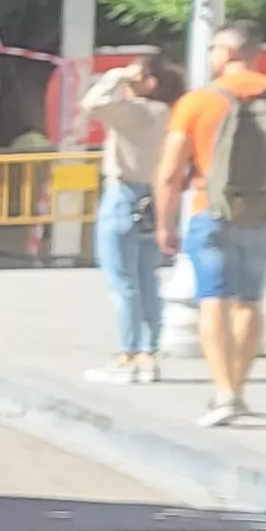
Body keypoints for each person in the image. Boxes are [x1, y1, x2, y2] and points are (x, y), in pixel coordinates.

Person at [156, 22, 266, 427]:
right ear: (256, 54)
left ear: (223, 53)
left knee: (213, 300)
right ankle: (237, 390)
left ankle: (221, 393)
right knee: (250, 301)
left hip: (212, 211)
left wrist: (164, 222)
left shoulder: (196, 102)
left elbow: (170, 172)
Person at [80, 56, 185, 385]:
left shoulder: (137, 111)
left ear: (149, 81)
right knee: (148, 279)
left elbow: (92, 103)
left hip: (124, 194)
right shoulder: (172, 113)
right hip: (157, 198)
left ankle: (127, 355)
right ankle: (149, 353)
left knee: (123, 282)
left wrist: (114, 75)